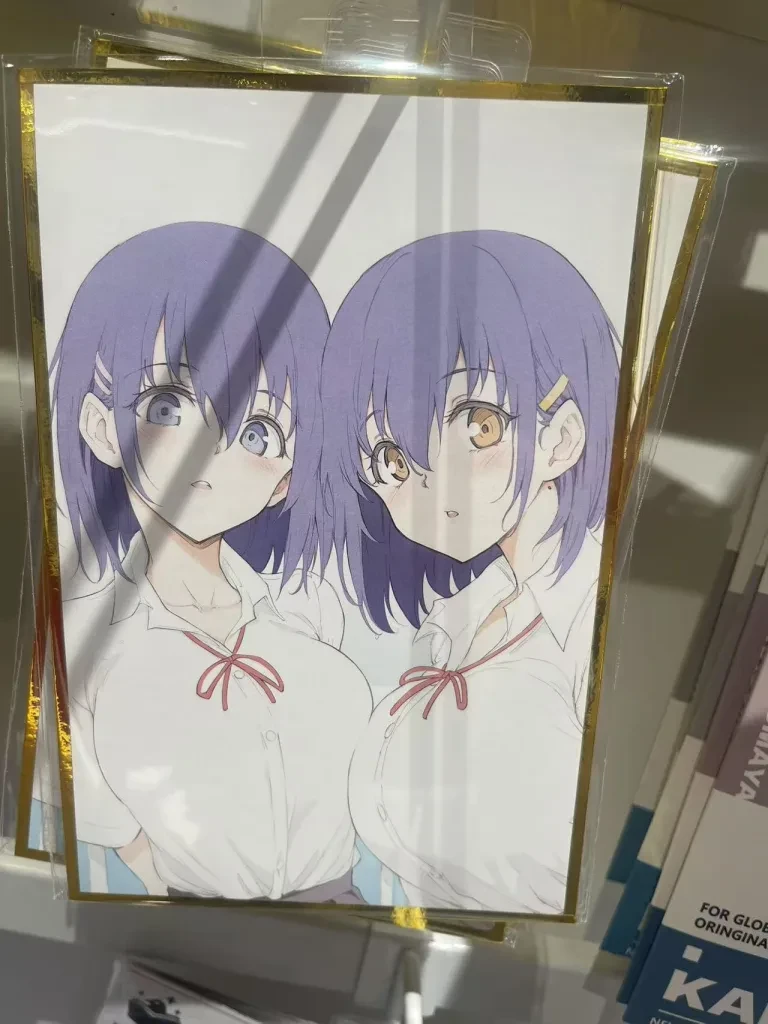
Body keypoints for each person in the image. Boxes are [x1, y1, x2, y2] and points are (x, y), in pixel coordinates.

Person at [52, 222, 371, 902]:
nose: (210, 452)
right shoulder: (82, 637)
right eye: (167, 406)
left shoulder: (311, 614)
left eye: (258, 431)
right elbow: (100, 812)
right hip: (184, 918)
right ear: (101, 426)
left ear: (287, 475)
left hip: (344, 912)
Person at [319, 230, 621, 912]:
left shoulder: (595, 628)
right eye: (390, 459)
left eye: (477, 424)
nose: (430, 483)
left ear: (564, 433)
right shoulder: (457, 618)